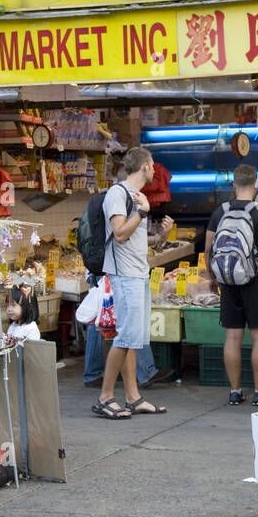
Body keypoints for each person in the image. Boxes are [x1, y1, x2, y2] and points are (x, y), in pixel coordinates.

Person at [96, 147, 173, 420]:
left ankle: (133, 396)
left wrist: (161, 236)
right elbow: (118, 233)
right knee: (126, 336)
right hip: (125, 275)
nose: (154, 170)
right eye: (152, 165)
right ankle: (106, 396)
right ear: (144, 167)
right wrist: (142, 212)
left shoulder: (136, 197)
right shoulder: (118, 194)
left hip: (137, 272)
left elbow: (134, 239)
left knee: (132, 338)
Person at [205, 163, 258, 407]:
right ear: (257, 185)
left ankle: (235, 391)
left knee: (232, 337)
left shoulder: (220, 211)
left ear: (234, 185)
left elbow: (208, 248)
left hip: (228, 281)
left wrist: (212, 277)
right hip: (256, 280)